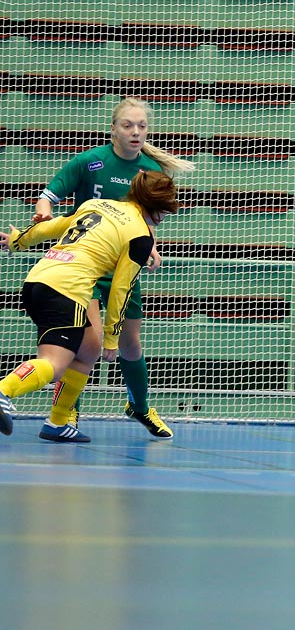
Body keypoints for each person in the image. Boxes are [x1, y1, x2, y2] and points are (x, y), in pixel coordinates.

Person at [33, 97, 194, 439]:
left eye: (142, 126)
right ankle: (65, 414)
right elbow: (50, 194)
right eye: (128, 125)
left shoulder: (151, 169)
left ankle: (139, 406)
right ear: (113, 129)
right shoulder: (90, 162)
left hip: (124, 266)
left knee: (130, 345)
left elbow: (149, 219)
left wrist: (149, 243)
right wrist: (45, 211)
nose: (136, 132)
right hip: (86, 268)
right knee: (86, 343)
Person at [0, 171, 182, 441]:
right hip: (67, 291)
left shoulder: (97, 204)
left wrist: (18, 241)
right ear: (156, 207)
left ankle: (58, 423)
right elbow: (121, 290)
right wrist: (112, 338)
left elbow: (53, 226)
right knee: (55, 363)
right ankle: (4, 390)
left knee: (88, 350)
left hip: (38, 280)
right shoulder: (141, 237)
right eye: (166, 210)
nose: (166, 216)